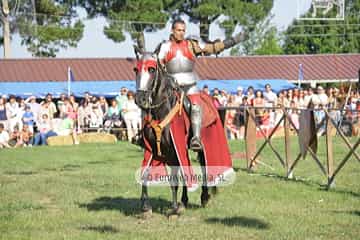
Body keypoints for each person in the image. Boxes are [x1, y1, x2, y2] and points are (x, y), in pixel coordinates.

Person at [157, 18, 248, 151]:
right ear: (172, 30)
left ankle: (196, 138)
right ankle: (150, 134)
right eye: (178, 30)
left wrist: (233, 41)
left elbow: (212, 48)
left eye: (183, 30)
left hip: (190, 83)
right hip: (170, 84)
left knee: (196, 106)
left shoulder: (191, 44)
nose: (181, 33)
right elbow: (158, 65)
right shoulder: (165, 46)